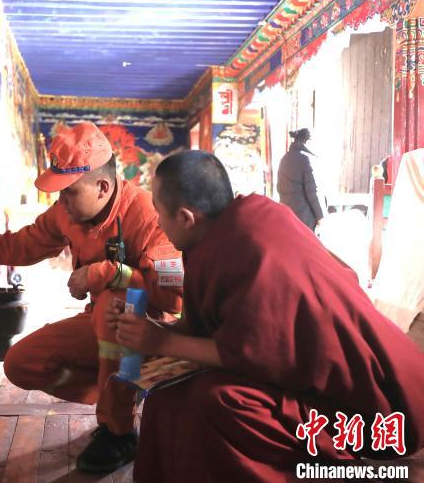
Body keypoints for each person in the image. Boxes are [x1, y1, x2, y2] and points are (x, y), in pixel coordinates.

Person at [106, 150, 424, 482]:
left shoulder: (252, 248)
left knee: (217, 401)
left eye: (159, 213)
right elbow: (214, 330)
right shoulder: (237, 223)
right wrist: (149, 329)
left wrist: (161, 341)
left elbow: (246, 353)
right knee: (165, 400)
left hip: (381, 410)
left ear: (186, 218)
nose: (158, 223)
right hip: (335, 379)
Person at [0, 121, 183, 473]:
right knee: (21, 364)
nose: (60, 202)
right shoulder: (67, 213)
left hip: (156, 334)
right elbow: (20, 245)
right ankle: (121, 392)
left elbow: (172, 300)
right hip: (105, 328)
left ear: (103, 187)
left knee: (112, 305)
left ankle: (119, 432)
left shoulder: (149, 215)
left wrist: (106, 273)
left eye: (68, 192)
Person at [277, 127, 326, 230]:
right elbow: (311, 191)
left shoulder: (284, 159)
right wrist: (320, 216)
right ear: (307, 141)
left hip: (287, 215)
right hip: (304, 217)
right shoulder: (305, 159)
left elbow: (279, 187)